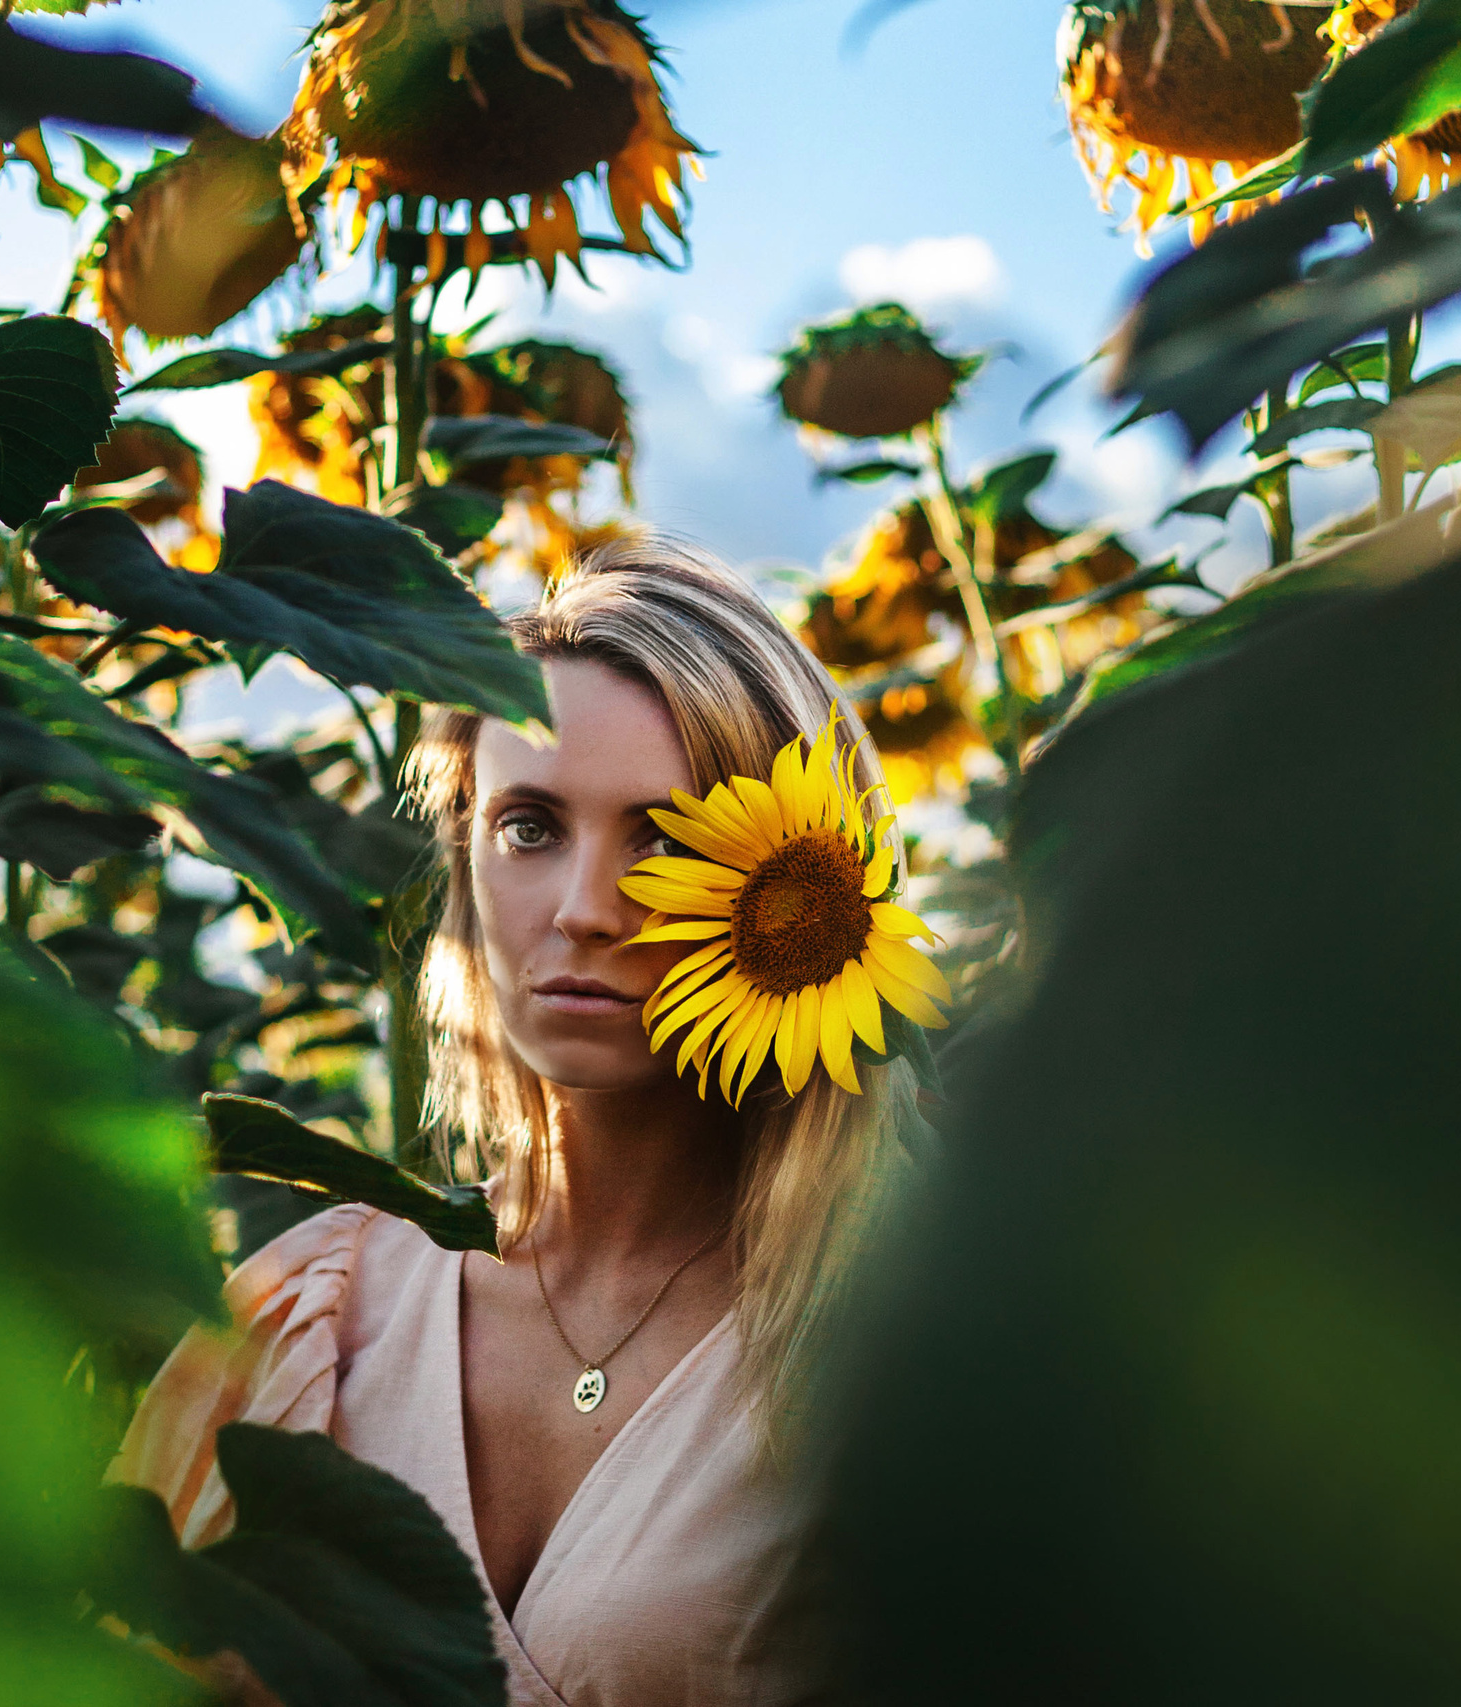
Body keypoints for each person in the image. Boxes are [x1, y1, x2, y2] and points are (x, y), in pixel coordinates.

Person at [112, 535, 925, 1707]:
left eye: (667, 839)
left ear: (807, 888)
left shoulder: (895, 1339)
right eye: (531, 827)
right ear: (463, 852)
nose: (588, 910)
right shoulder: (313, 1316)